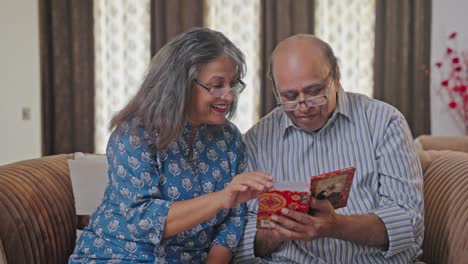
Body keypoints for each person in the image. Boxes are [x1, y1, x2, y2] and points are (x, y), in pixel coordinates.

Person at [69, 28, 273, 264]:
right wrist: (221, 198)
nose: (228, 96)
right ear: (181, 84)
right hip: (121, 254)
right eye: (216, 85)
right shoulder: (135, 133)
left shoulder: (229, 138)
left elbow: (234, 218)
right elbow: (142, 220)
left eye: (233, 84)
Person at [234, 34, 424, 263]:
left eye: (314, 91)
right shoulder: (256, 140)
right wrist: (274, 232)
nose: (303, 106)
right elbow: (239, 241)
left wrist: (337, 226)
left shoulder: (383, 122)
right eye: (290, 96)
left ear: (336, 75)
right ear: (275, 90)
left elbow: (409, 223)